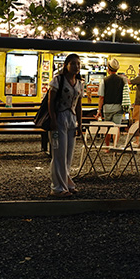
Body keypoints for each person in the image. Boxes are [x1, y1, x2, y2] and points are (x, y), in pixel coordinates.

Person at [47, 53, 83, 198]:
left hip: (72, 117)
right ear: (66, 65)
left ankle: (66, 183)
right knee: (59, 153)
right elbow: (51, 100)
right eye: (73, 63)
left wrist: (80, 123)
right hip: (60, 116)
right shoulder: (58, 80)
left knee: (68, 154)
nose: (76, 66)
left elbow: (79, 104)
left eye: (78, 64)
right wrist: (53, 119)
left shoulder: (80, 83)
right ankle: (57, 187)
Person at [95, 58, 126, 125]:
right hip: (119, 107)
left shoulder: (104, 80)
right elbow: (126, 93)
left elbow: (101, 97)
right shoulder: (122, 80)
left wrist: (99, 110)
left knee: (108, 128)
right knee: (117, 128)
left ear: (108, 69)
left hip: (107, 108)